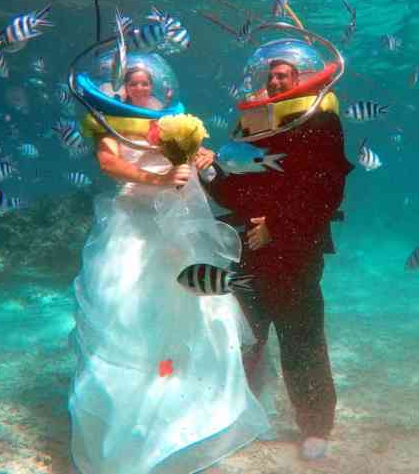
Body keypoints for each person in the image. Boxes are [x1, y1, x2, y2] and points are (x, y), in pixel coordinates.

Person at [69, 53, 270, 474]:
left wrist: (202, 157)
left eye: (146, 83)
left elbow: (200, 151)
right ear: (122, 86)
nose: (140, 89)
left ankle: (190, 423)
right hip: (130, 226)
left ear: (158, 86)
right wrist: (157, 179)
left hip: (174, 229)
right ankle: (130, 427)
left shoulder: (173, 121)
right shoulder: (109, 120)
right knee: (127, 314)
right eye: (133, 83)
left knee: (194, 311)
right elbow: (110, 163)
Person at [202, 57, 354, 460]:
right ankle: (238, 416)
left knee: (301, 337)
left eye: (285, 72)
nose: (276, 78)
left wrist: (277, 227)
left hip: (297, 251)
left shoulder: (320, 124)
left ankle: (316, 424)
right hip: (247, 247)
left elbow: (326, 193)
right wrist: (209, 173)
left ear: (303, 79)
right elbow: (234, 192)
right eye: (270, 73)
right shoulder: (252, 125)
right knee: (243, 336)